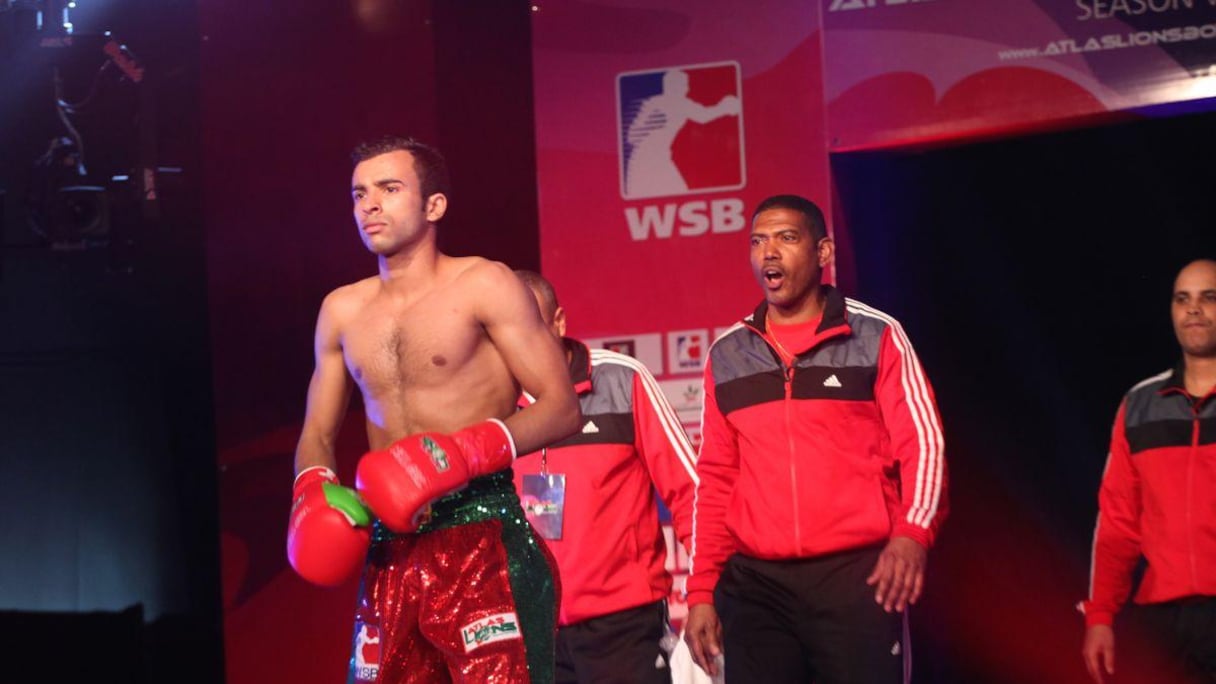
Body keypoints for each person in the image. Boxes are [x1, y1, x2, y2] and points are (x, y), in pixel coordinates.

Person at [284, 136, 580, 683]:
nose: (369, 204)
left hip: (482, 531)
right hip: (391, 546)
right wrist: (311, 488)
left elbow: (561, 406)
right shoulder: (341, 310)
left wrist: (461, 453)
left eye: (389, 189)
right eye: (359, 193)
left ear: (434, 205)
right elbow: (317, 434)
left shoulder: (485, 283)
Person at [683, 194, 949, 683]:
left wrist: (912, 534)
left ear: (824, 252)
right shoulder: (728, 354)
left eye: (786, 238)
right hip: (757, 586)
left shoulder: (875, 335)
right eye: (759, 241)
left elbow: (924, 445)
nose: (769, 253)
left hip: (856, 577)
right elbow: (716, 478)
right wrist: (701, 592)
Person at [511, 270, 698, 683]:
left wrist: (706, 590)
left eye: (530, 324)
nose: (517, 340)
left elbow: (691, 491)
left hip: (623, 625)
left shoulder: (620, 380)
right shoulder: (492, 403)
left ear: (558, 322)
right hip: (530, 629)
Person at [1080, 258, 1216, 684]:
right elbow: (1117, 522)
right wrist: (1099, 615)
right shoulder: (1140, 406)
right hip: (1163, 623)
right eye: (1183, 299)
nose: (1193, 309)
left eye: (1208, 297)